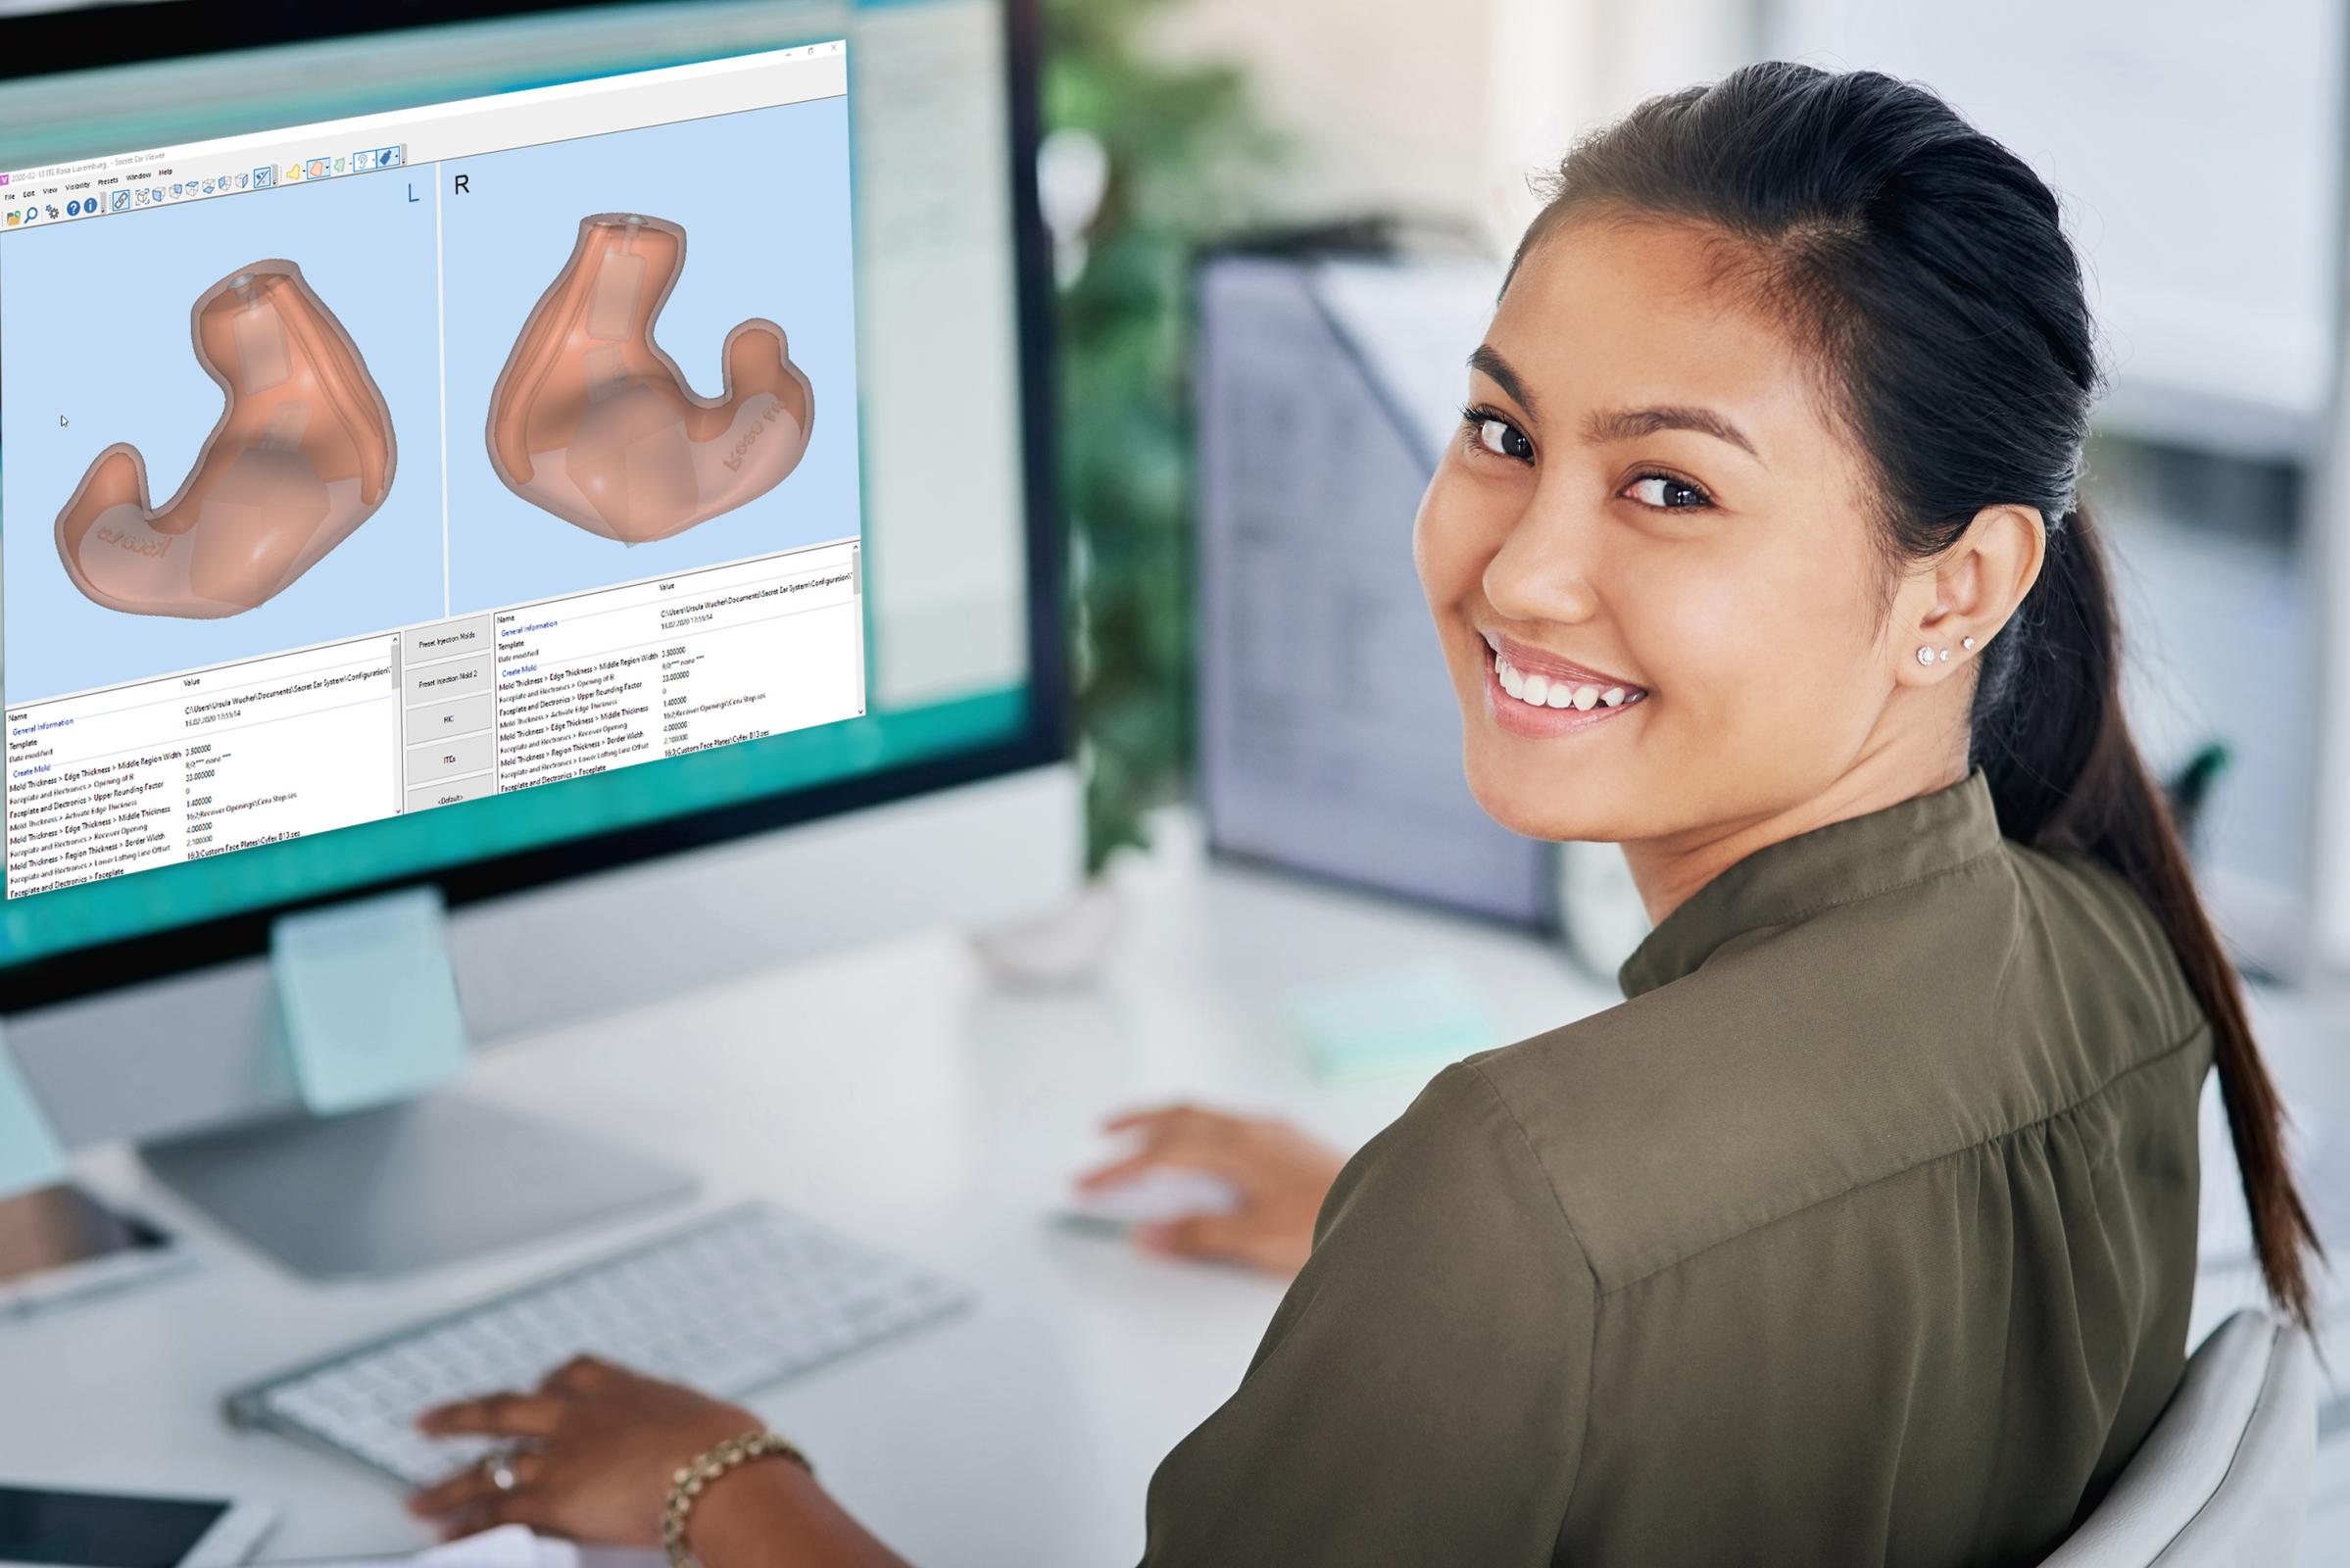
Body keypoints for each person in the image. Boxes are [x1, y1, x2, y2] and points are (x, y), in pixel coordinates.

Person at [404, 61, 2322, 1566]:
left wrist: (718, 1481)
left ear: (1957, 585)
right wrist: (1427, 1283)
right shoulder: (2115, 948)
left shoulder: (1522, 1187)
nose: (1520, 571)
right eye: (1501, 432)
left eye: (1665, 489)